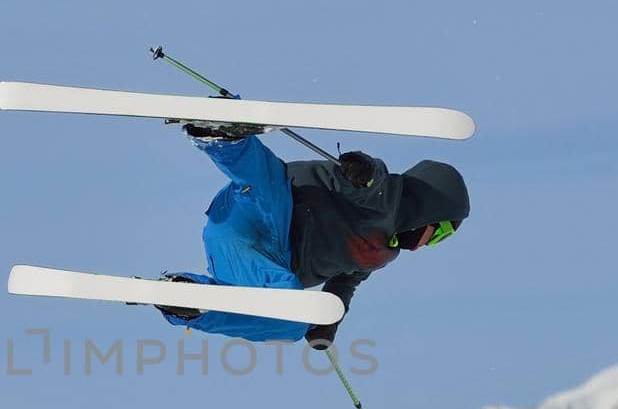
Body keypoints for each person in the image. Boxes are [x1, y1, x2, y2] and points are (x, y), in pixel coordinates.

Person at [155, 123, 470, 348]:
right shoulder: (384, 196)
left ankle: (193, 305)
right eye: (440, 232)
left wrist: (327, 320)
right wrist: (361, 170)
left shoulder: (377, 254)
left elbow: (344, 285)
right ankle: (225, 139)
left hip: (248, 254)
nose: (429, 244)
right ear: (429, 210)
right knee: (268, 185)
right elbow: (369, 180)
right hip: (263, 211)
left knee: (291, 319)